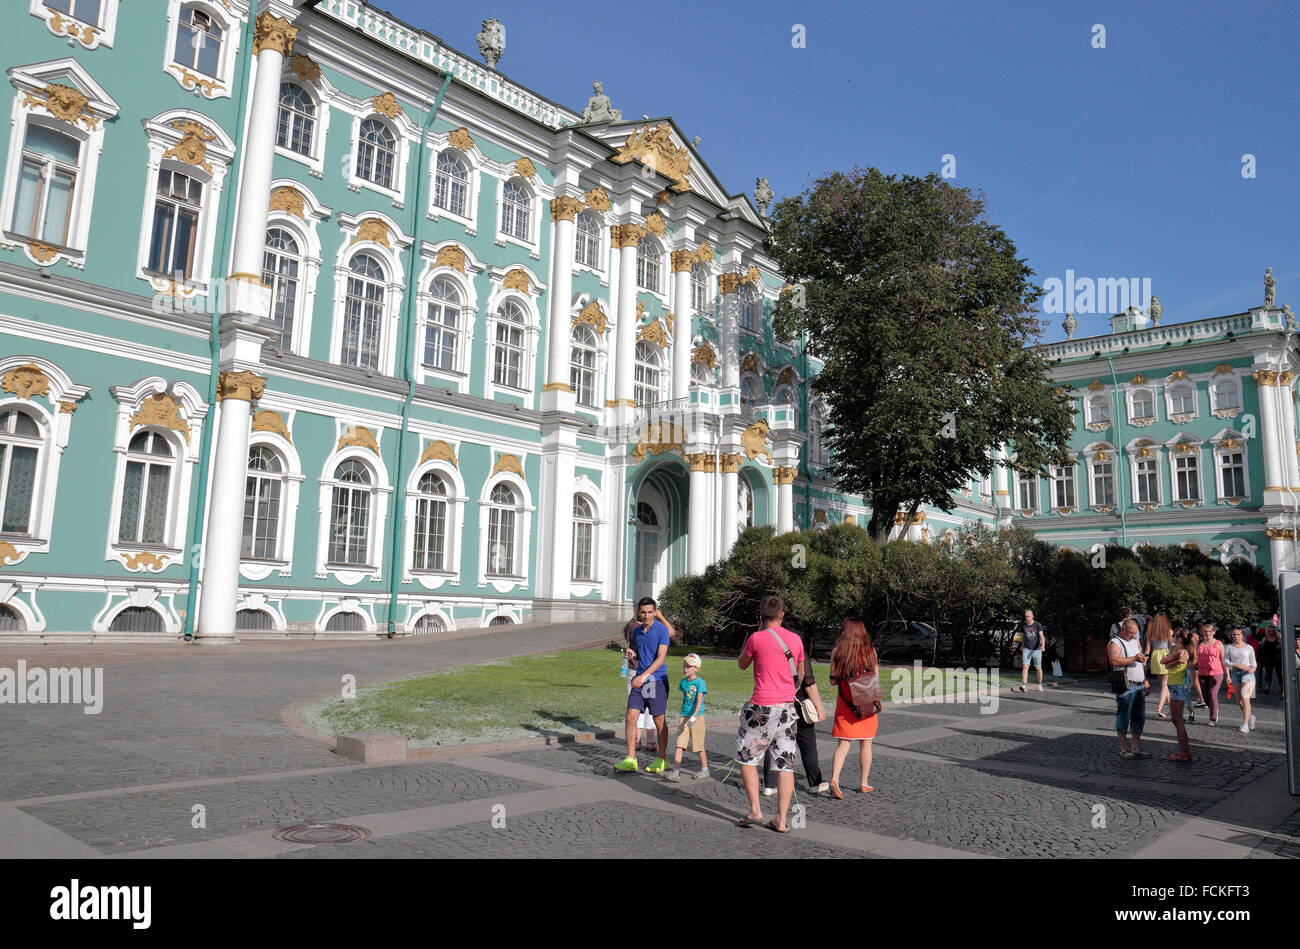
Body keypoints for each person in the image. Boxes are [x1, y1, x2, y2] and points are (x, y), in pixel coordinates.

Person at [734, 595, 805, 833]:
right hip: (786, 710)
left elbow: (742, 664)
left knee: (748, 757)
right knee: (784, 763)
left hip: (762, 710)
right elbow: (801, 673)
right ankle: (781, 819)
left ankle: (755, 809)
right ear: (782, 615)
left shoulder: (756, 638)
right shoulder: (795, 640)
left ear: (761, 616)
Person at [761, 617, 829, 797]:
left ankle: (769, 785)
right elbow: (808, 681)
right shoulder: (798, 646)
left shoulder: (768, 646)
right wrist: (819, 706)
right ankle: (815, 782)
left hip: (774, 701)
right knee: (808, 744)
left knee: (773, 743)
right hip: (797, 702)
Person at [614, 598, 673, 773]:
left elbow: (660, 658)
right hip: (640, 679)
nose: (646, 615)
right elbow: (643, 653)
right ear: (638, 613)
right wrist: (633, 654)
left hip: (656, 680)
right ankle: (631, 758)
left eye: (649, 612)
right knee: (630, 717)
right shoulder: (638, 632)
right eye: (643, 612)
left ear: (655, 612)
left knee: (658, 721)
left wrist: (644, 676)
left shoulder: (662, 630)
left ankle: (661, 759)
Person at [828, 618, 880, 797]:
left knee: (843, 744)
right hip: (865, 704)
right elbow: (876, 678)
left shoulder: (838, 652)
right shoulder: (870, 652)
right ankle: (864, 783)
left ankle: (834, 778)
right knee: (866, 744)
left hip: (845, 704)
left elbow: (833, 680)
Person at [1109, 618, 1151, 759]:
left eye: (1135, 633)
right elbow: (1114, 661)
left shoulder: (1134, 641)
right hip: (1126, 685)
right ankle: (1123, 749)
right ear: (1123, 630)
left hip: (1139, 685)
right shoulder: (1115, 642)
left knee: (1139, 718)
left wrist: (1145, 680)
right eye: (1131, 633)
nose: (1134, 636)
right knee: (1124, 716)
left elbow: (1140, 662)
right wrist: (1134, 658)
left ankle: (1136, 748)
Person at [665, 654, 709, 782]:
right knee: (679, 744)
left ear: (696, 668)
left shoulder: (700, 683)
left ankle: (705, 769)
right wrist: (685, 717)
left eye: (689, 666)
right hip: (683, 717)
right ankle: (676, 772)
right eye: (684, 666)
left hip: (697, 718)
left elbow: (699, 701)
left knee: (698, 745)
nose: (685, 669)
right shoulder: (683, 683)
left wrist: (694, 717)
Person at [1163, 628, 1195, 761]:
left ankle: (1184, 753)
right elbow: (1166, 665)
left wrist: (1171, 661)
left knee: (1178, 720)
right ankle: (1184, 752)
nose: (1172, 638)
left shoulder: (1182, 652)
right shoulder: (1177, 651)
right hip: (1175, 686)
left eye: (1174, 636)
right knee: (1177, 720)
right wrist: (1174, 661)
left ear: (1180, 639)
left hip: (1177, 686)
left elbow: (1163, 661)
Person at [1224, 627, 1257, 733]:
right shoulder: (1229, 647)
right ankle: (1250, 716)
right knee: (1239, 701)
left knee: (1245, 698)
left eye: (1238, 634)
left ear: (1242, 635)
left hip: (1247, 674)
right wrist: (1236, 665)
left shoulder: (1249, 648)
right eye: (1234, 635)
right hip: (1235, 673)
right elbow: (1226, 661)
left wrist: (1252, 669)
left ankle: (1245, 724)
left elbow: (1254, 663)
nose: (1236, 636)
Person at [1196, 623, 1226, 726]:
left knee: (1213, 695)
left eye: (1209, 631)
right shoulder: (1200, 644)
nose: (1207, 633)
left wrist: (1228, 676)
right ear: (1202, 632)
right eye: (1205, 631)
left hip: (1216, 672)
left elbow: (1223, 661)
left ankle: (1212, 718)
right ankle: (1214, 709)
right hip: (1202, 672)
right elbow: (1197, 659)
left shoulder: (1218, 644)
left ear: (1214, 632)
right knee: (1205, 696)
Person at [1147, 613, 1173, 719]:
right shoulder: (1169, 631)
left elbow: (1148, 648)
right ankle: (1160, 708)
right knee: (1164, 685)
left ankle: (1173, 708)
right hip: (1165, 656)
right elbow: (1172, 646)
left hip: (1155, 657)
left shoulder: (1150, 632)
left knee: (1164, 685)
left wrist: (1144, 662)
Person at [1016, 608, 1046, 692]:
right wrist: (1022, 646)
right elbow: (1023, 637)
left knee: (1038, 668)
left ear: (1032, 616)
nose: (1027, 618)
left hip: (1036, 649)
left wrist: (1043, 645)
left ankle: (1040, 685)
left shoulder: (1037, 625)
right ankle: (1024, 685)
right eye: (1026, 617)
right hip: (1027, 649)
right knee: (1025, 666)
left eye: (1029, 616)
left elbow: (1042, 636)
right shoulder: (1023, 625)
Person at [1259, 627, 1283, 695]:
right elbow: (1261, 648)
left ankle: (1281, 687)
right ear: (1267, 631)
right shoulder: (1265, 638)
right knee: (1268, 673)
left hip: (1277, 658)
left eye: (1272, 631)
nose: (1271, 632)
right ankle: (1267, 687)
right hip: (1268, 658)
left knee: (1279, 673)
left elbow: (1281, 645)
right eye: (1269, 631)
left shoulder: (1277, 638)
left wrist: (1279, 645)